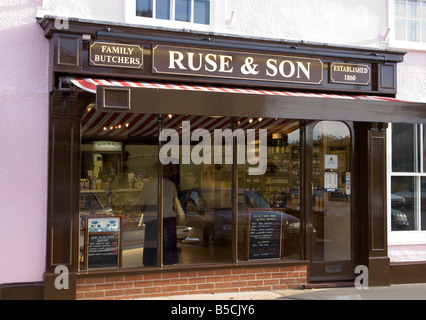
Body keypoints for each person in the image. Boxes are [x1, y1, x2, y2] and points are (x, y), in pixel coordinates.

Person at [140, 164, 178, 266]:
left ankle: (151, 263)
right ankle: (168, 263)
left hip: (153, 218)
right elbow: (174, 202)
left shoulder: (148, 185)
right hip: (169, 217)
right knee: (168, 244)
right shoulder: (171, 185)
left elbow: (141, 204)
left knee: (152, 244)